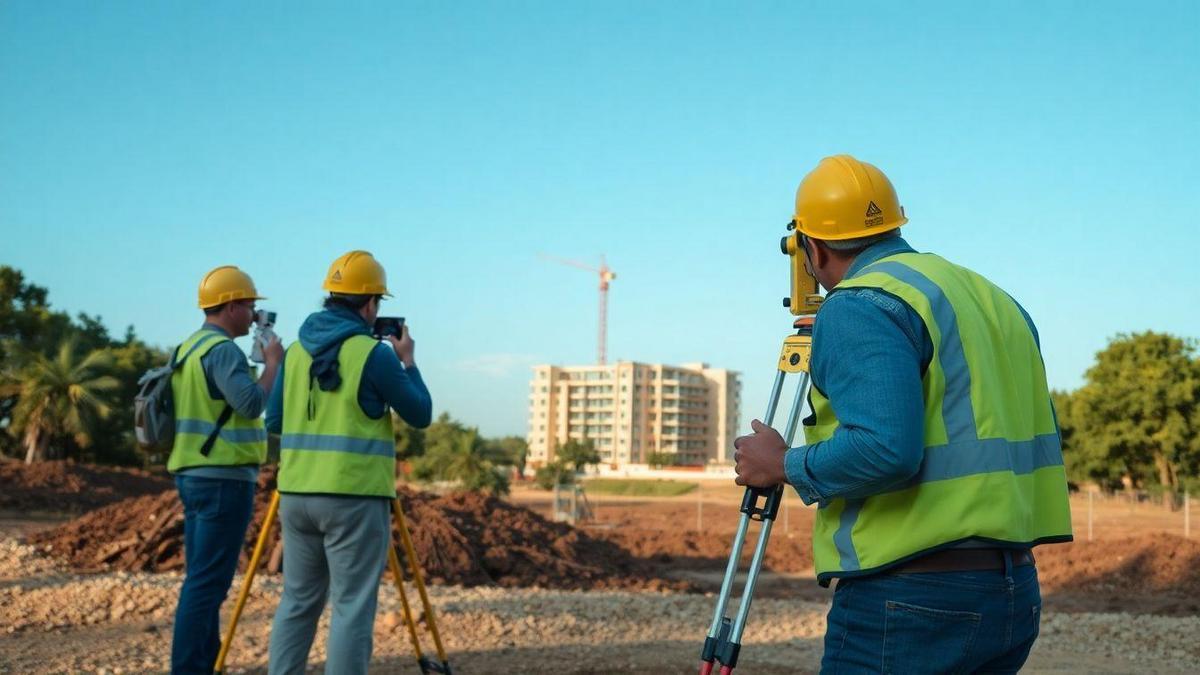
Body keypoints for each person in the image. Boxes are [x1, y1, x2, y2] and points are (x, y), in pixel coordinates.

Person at [733, 155, 1073, 673]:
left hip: (914, 593)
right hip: (1010, 588)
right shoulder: (991, 298)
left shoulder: (860, 303)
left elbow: (884, 449)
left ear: (812, 247)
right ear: (893, 224)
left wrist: (780, 464)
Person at [266, 250, 432, 675]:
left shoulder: (298, 351)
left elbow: (275, 419)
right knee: (351, 607)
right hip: (354, 496)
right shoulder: (372, 354)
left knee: (299, 601)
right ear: (371, 304)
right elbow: (419, 414)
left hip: (297, 495)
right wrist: (407, 361)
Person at [169, 265, 282, 674]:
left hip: (193, 473)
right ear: (232, 305)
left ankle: (202, 664)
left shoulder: (189, 347)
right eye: (250, 305)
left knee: (201, 581)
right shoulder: (221, 351)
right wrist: (272, 363)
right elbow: (251, 404)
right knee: (207, 585)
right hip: (222, 478)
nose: (254, 313)